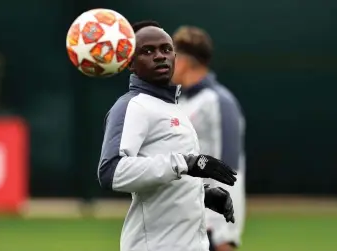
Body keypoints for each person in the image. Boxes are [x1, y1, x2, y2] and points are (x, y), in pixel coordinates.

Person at [97, 20, 237, 251]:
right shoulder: (133, 106)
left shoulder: (174, 108)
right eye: (148, 51)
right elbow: (111, 171)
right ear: (130, 63)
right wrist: (186, 163)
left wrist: (202, 194)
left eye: (166, 49)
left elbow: (168, 176)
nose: (160, 56)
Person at [172, 26, 247, 251]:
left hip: (209, 229)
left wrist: (225, 233)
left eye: (171, 56)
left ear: (184, 61)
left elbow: (231, 170)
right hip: (179, 223)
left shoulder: (219, 102)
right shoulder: (180, 101)